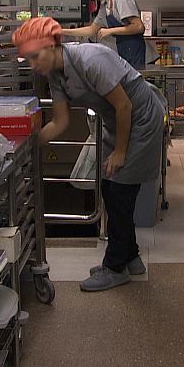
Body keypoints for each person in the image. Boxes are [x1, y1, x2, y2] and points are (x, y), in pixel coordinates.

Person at [14, 17, 165, 292]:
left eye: (35, 57)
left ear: (52, 45)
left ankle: (115, 267)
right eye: (28, 60)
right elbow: (60, 122)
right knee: (110, 190)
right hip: (117, 122)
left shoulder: (90, 58)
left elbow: (124, 106)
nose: (34, 66)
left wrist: (120, 152)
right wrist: (26, 144)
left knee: (120, 194)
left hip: (139, 119)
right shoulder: (55, 75)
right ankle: (129, 256)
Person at [61, 0, 148, 70]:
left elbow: (139, 26)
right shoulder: (105, 7)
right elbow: (92, 30)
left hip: (136, 52)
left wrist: (110, 31)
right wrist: (63, 31)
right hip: (124, 52)